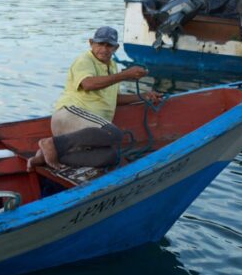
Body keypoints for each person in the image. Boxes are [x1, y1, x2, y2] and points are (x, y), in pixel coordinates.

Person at [35, 26, 163, 171]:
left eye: (109, 45)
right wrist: (125, 75)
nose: (104, 49)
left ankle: (47, 156)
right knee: (113, 133)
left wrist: (144, 96)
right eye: (100, 44)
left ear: (116, 48)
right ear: (91, 43)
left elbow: (114, 99)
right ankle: (52, 144)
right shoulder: (84, 60)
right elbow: (88, 84)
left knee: (111, 156)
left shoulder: (113, 66)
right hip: (69, 116)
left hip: (89, 131)